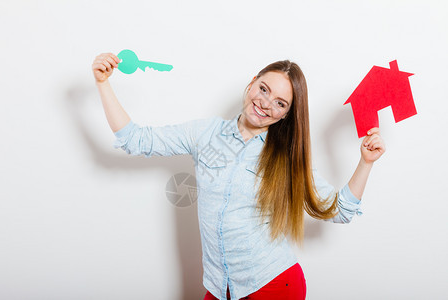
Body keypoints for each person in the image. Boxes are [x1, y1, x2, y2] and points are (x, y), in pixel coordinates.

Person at [92, 53, 385, 300]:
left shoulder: (286, 157)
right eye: (264, 89)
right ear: (250, 84)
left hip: (273, 286)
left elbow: (340, 210)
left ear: (285, 115)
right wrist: (103, 83)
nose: (266, 103)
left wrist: (365, 162)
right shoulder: (204, 134)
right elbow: (136, 140)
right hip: (220, 289)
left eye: (281, 103)